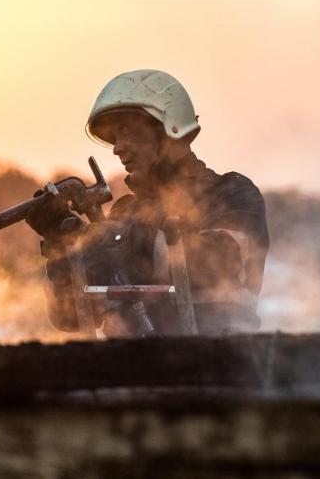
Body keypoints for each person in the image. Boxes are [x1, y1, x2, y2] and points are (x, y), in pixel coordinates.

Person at [27, 69, 269, 337]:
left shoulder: (232, 193)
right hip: (133, 373)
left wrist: (116, 242)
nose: (118, 148)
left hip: (221, 368)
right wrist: (65, 247)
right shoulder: (125, 212)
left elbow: (217, 264)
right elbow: (68, 316)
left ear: (170, 129)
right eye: (114, 139)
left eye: (128, 133)